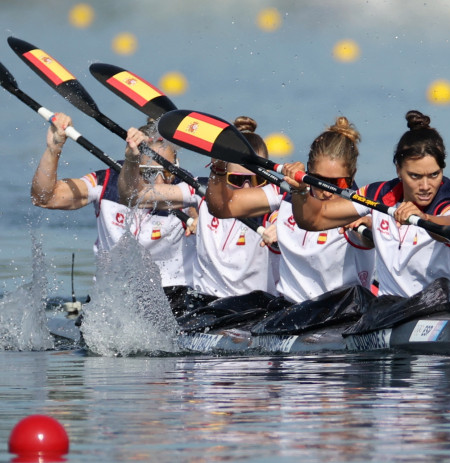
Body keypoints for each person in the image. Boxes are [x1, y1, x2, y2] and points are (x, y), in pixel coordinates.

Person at [289, 110, 450, 298]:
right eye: (415, 176)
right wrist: (300, 190)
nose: (425, 186)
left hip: (438, 306)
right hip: (387, 312)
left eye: (434, 175)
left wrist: (425, 218)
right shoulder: (377, 195)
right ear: (398, 170)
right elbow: (315, 219)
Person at [30, 113, 196, 314]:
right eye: (150, 173)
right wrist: (54, 148)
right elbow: (44, 198)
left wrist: (198, 222)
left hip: (173, 297)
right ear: (135, 166)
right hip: (112, 296)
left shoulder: (187, 188)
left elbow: (211, 215)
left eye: (168, 172)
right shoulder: (106, 181)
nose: (160, 183)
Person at [206, 116, 375, 304]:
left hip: (344, 314)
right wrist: (218, 168)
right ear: (308, 171)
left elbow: (371, 237)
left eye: (337, 183)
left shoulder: (361, 208)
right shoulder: (286, 194)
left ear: (352, 176)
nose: (327, 191)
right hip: (291, 313)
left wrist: (370, 228)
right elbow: (221, 206)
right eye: (319, 181)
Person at [119, 116, 279, 310]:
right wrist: (131, 160)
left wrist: (283, 229)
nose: (247, 188)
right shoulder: (202, 191)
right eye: (237, 179)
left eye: (256, 181)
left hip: (255, 308)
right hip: (205, 305)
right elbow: (134, 196)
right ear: (221, 174)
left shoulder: (276, 204)